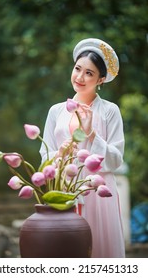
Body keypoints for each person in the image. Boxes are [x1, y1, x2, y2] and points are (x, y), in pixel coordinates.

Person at [40, 38, 125, 258]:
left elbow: (116, 160)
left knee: (99, 252)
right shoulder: (56, 111)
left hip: (99, 194)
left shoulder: (109, 111)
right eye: (78, 69)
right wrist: (59, 154)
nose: (80, 77)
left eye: (89, 73)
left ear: (101, 79)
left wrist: (91, 135)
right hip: (64, 189)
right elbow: (44, 155)